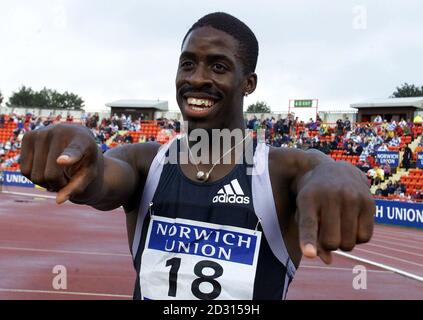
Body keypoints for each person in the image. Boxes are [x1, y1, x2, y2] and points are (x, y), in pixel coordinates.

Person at [19, 12, 374, 300]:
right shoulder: (147, 163)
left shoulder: (278, 172)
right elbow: (99, 178)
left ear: (249, 83)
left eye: (218, 67)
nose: (198, 78)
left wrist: (339, 171)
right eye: (187, 64)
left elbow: (320, 169)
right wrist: (81, 158)